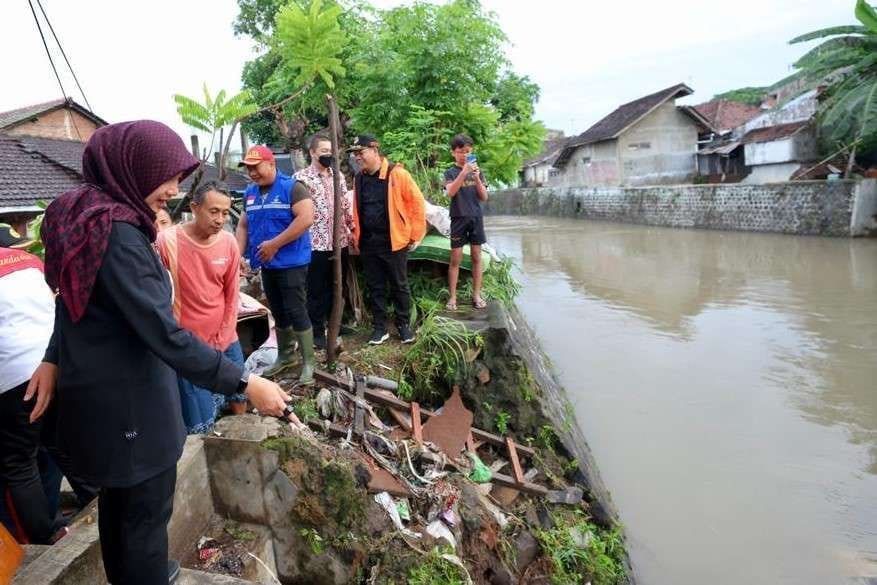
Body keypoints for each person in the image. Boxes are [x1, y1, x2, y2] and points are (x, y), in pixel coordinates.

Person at [33, 120, 295, 585]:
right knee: (144, 513)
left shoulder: (80, 213)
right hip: (129, 402)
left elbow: (70, 295)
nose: (174, 190)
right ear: (133, 168)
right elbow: (166, 334)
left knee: (121, 510)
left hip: (102, 393)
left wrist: (53, 355)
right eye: (167, 175)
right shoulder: (118, 235)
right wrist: (245, 381)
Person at [156, 180, 247, 434]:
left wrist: (224, 336)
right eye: (214, 211)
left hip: (226, 339)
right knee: (199, 414)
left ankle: (239, 440)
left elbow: (232, 296)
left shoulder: (228, 243)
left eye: (226, 213)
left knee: (239, 395)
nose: (220, 219)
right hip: (188, 346)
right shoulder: (167, 242)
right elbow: (160, 297)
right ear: (194, 208)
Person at [0, 236, 63, 545]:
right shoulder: (27, 262)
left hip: (13, 377)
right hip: (54, 361)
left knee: (18, 461)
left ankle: (46, 537)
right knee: (60, 444)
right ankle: (93, 504)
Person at [235, 145, 316, 384]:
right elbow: (243, 226)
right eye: (248, 168)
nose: (252, 173)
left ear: (271, 164)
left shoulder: (292, 188)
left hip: (291, 263)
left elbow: (306, 218)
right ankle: (285, 356)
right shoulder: (250, 192)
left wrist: (275, 244)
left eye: (256, 167)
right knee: (278, 310)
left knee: (296, 309)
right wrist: (237, 254)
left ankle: (309, 362)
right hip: (267, 265)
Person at [349, 135, 426, 345]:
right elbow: (356, 210)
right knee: (375, 287)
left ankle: (403, 326)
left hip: (394, 241)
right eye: (355, 154)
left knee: (399, 285)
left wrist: (416, 234)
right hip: (369, 243)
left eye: (361, 152)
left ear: (375, 150)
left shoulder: (397, 174)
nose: (357, 158)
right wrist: (356, 236)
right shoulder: (359, 179)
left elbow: (417, 204)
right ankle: (380, 328)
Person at [295, 134, 354, 350]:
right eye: (323, 151)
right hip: (315, 243)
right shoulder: (301, 178)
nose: (328, 154)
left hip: (339, 240)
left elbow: (345, 204)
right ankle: (318, 331)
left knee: (338, 285)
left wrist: (352, 229)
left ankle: (336, 324)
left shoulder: (337, 176)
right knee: (316, 289)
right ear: (312, 152)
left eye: (331, 151)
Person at [444, 134, 489, 311]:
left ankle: (476, 295)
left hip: (476, 218)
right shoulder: (449, 172)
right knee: (455, 259)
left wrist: (477, 177)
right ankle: (453, 297)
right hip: (458, 218)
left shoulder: (479, 172)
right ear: (453, 153)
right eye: (460, 152)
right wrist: (464, 172)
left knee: (477, 257)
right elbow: (450, 193)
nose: (464, 155)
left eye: (468, 152)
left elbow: (484, 197)